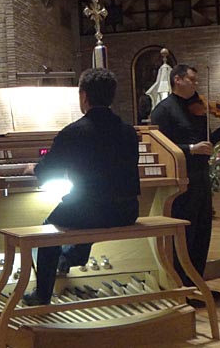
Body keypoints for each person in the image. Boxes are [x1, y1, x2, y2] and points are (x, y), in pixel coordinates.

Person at [22, 68, 141, 306]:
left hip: (89, 211)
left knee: (48, 230)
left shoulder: (74, 131)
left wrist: (33, 169)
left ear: (84, 96)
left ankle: (42, 295)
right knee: (85, 214)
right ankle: (68, 259)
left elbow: (48, 172)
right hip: (128, 210)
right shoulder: (128, 131)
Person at [150, 64, 220, 303]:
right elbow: (161, 147)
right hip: (182, 180)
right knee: (186, 233)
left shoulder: (198, 109)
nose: (196, 84)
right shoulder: (163, 110)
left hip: (201, 177)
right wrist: (190, 149)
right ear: (177, 80)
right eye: (192, 79)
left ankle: (197, 284)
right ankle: (182, 288)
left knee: (203, 231)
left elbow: (209, 143)